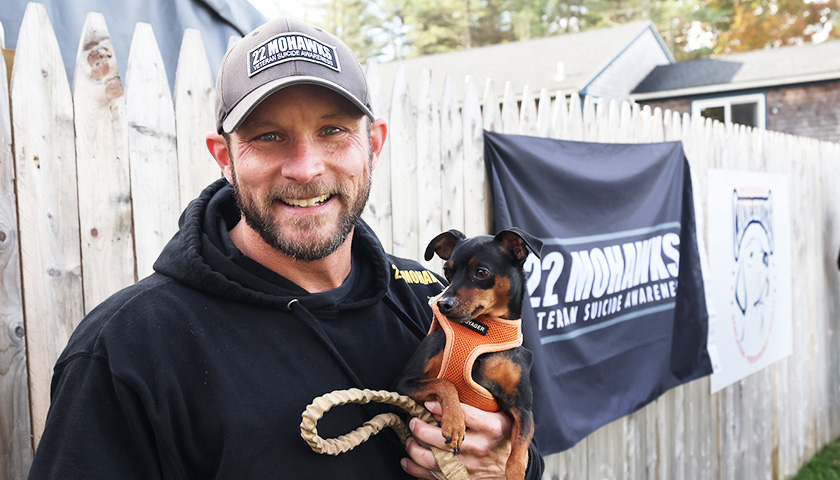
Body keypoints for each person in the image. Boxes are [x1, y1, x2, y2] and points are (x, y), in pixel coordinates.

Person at [28, 17, 544, 479]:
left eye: (333, 131)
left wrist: (504, 468)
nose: (305, 167)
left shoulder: (428, 303)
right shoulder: (128, 348)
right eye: (269, 136)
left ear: (374, 146)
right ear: (224, 158)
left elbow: (522, 456)